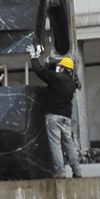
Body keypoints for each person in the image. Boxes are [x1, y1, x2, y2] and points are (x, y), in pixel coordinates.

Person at [28, 46, 83, 178]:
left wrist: (33, 57)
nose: (58, 68)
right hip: (66, 117)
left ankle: (60, 172)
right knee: (69, 144)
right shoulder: (72, 82)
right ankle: (77, 170)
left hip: (54, 116)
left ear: (63, 68)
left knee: (56, 144)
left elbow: (40, 71)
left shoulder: (57, 78)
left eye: (60, 66)